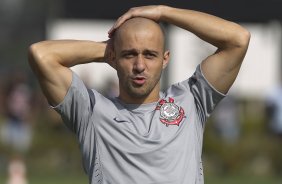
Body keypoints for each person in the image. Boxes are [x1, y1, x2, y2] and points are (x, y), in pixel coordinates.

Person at [28, 5, 250, 184]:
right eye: (130, 55)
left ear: (165, 59)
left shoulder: (192, 100)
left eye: (150, 54)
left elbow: (238, 39)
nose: (139, 65)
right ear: (113, 59)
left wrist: (164, 12)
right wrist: (110, 50)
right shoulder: (90, 111)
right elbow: (41, 55)